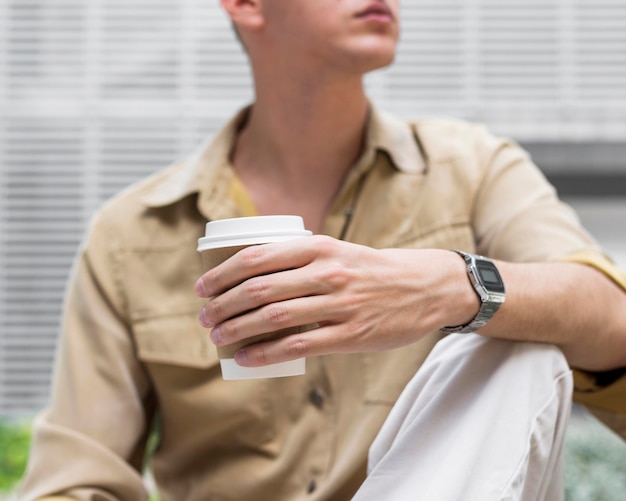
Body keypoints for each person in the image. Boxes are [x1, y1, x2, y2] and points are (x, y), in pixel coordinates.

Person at [19, 0, 626, 500]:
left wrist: (451, 288)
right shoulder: (129, 234)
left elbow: (609, 314)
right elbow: (75, 481)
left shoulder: (474, 169)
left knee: (516, 338)